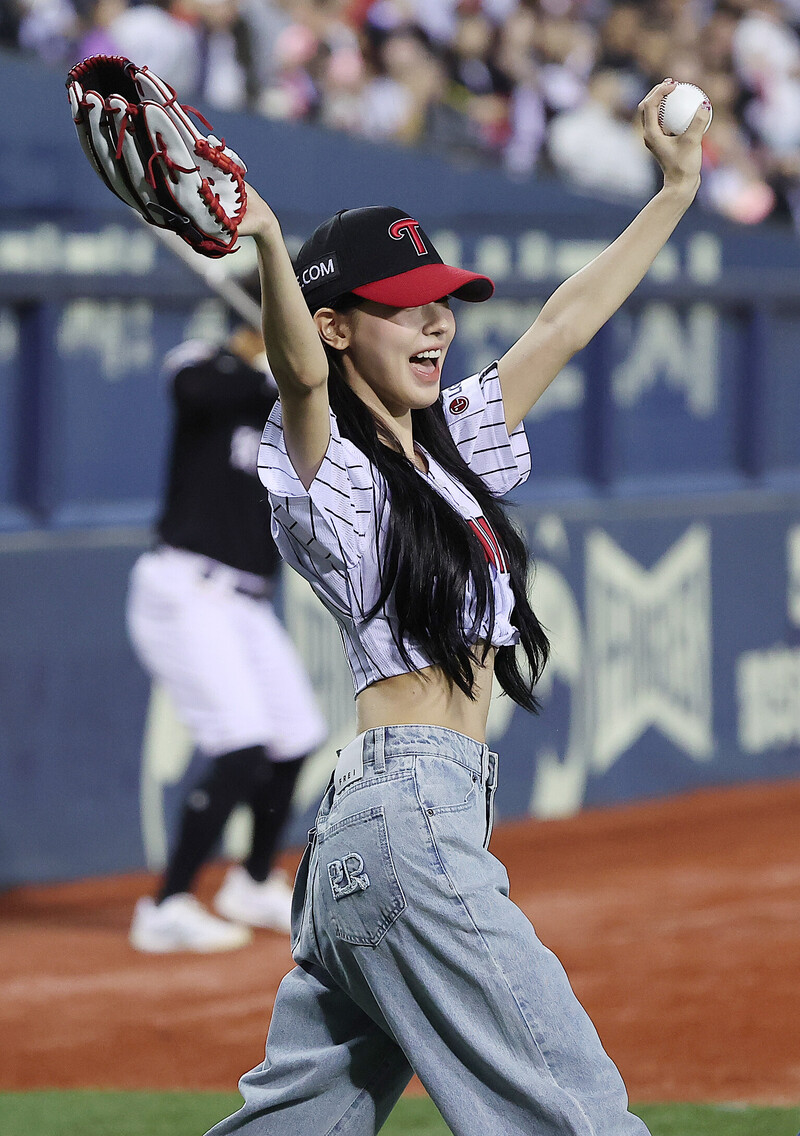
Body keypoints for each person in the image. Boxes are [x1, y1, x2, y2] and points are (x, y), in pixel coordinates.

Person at [205, 79, 707, 1132]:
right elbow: (299, 380)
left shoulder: (446, 455)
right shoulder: (330, 477)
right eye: (405, 302)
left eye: (441, 296)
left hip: (372, 840)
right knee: (576, 1110)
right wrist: (263, 240)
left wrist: (671, 193)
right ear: (338, 325)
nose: (437, 316)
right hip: (408, 826)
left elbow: (563, 324)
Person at [127, 274, 327, 953]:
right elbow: (198, 389)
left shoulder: (292, 400)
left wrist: (299, 381)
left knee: (296, 736)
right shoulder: (202, 363)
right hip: (185, 588)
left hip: (246, 600)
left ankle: (249, 880)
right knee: (241, 747)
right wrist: (277, 365)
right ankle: (168, 904)